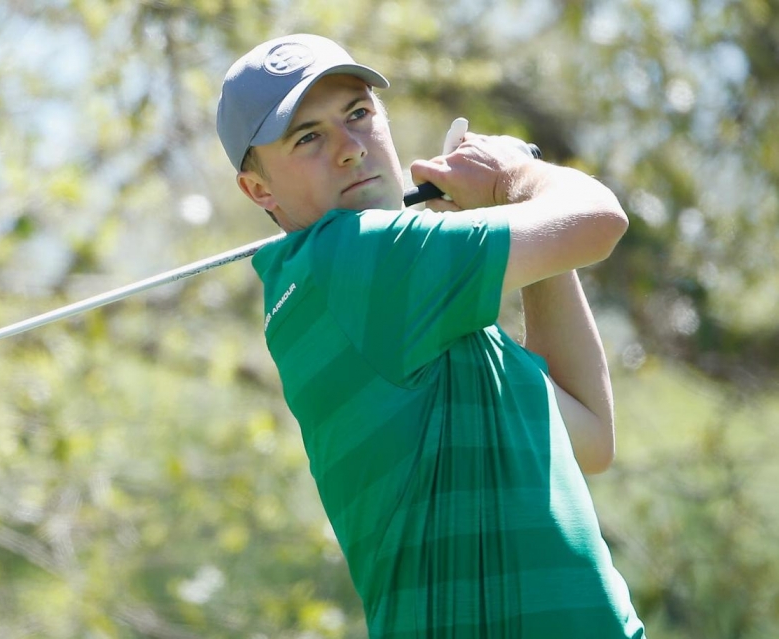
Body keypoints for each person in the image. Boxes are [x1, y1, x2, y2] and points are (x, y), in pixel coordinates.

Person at [216, 33, 645, 638]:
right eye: (307, 137)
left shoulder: (416, 310)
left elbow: (590, 440)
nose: (347, 148)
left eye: (359, 114)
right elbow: (599, 220)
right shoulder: (351, 259)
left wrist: (507, 211)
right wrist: (518, 178)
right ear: (259, 190)